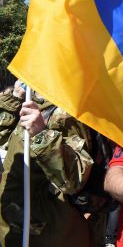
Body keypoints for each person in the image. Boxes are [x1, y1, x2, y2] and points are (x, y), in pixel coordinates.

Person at [0, 98, 97, 247]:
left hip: (47, 234)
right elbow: (5, 144)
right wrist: (13, 99)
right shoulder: (29, 100)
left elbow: (74, 179)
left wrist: (41, 134)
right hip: (13, 228)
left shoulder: (64, 112)